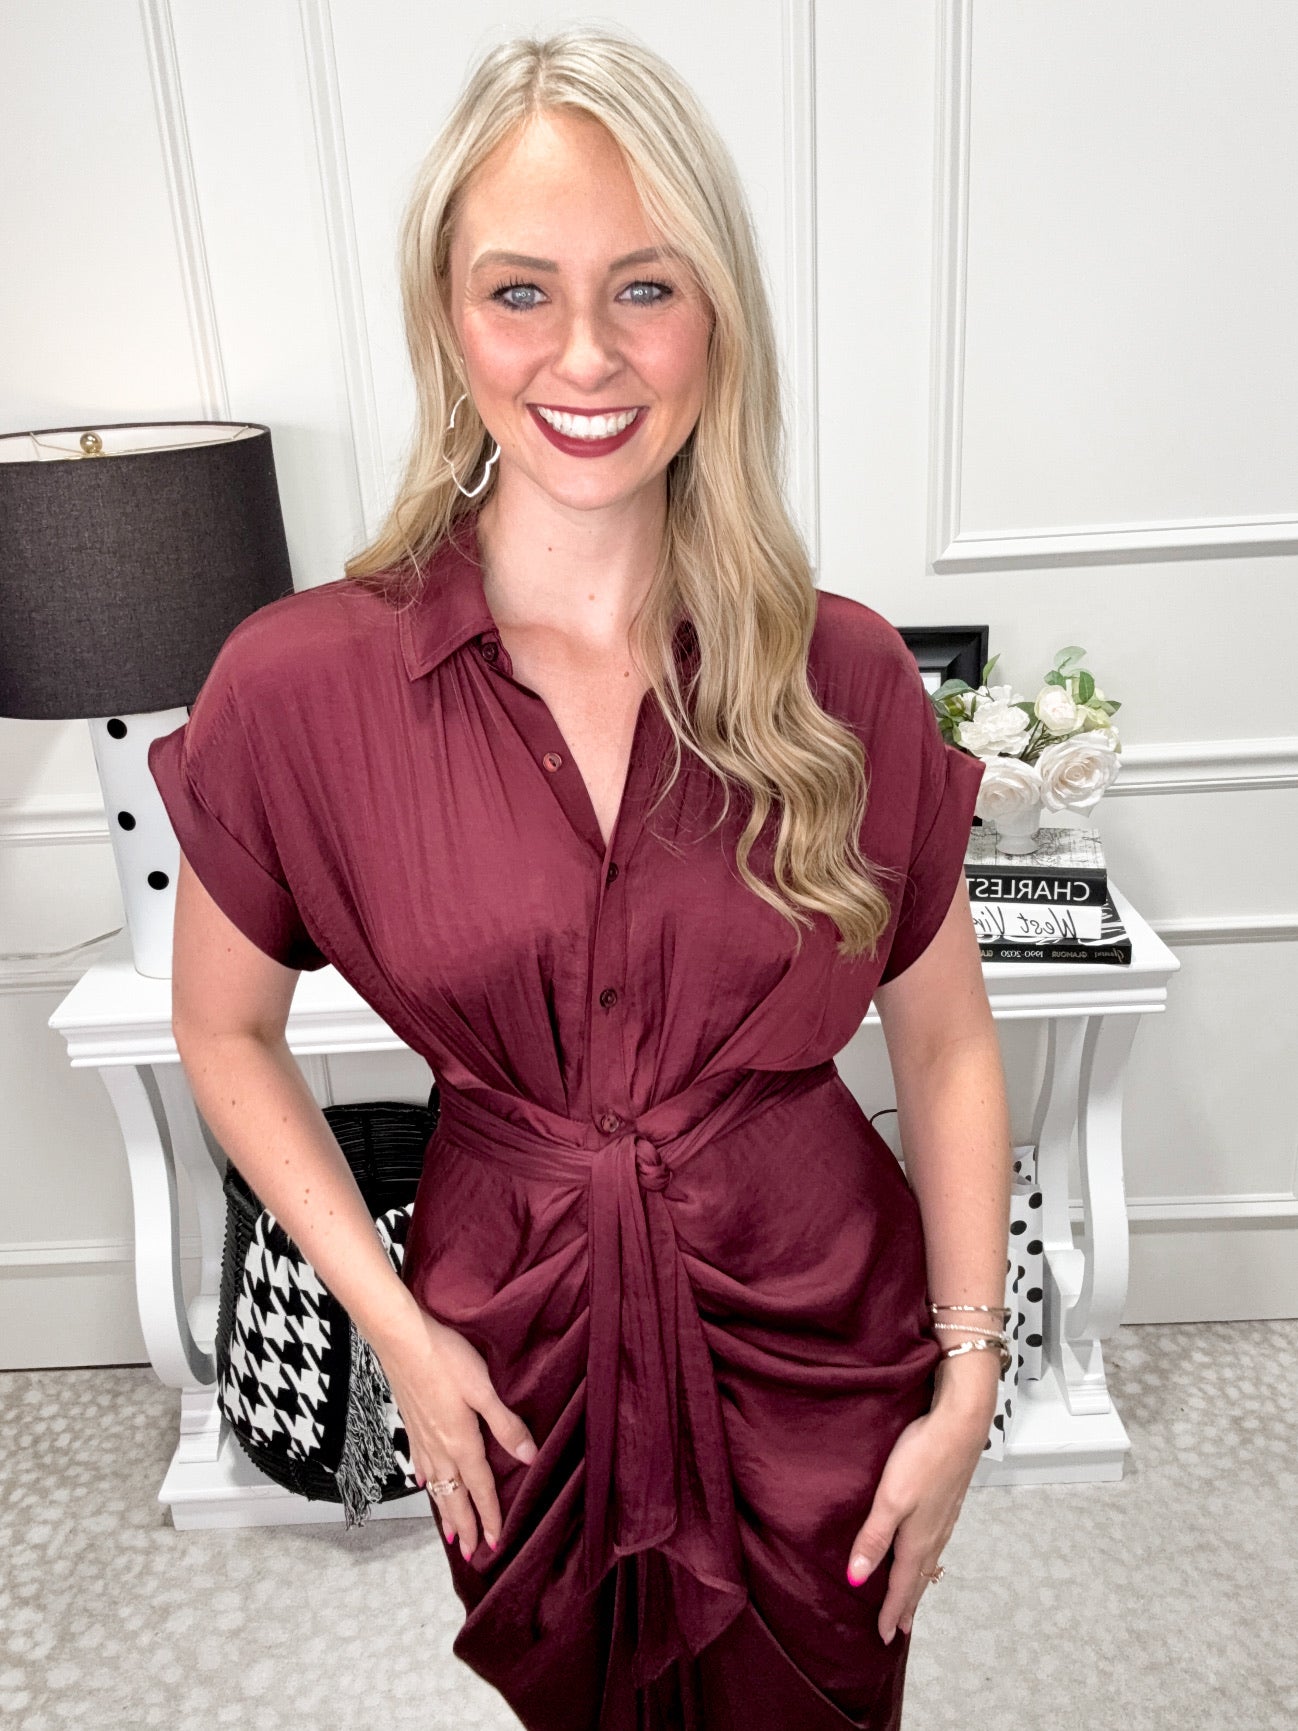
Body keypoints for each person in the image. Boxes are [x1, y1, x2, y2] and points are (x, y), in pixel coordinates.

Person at [149, 25, 1012, 1731]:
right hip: (512, 1336)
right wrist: (396, 1332)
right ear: (446, 319)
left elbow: (948, 1041)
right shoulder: (298, 688)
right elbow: (222, 1031)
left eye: (645, 287)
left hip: (814, 1326)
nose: (587, 353)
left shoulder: (842, 675)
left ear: (717, 318)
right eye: (519, 291)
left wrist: (970, 1379)